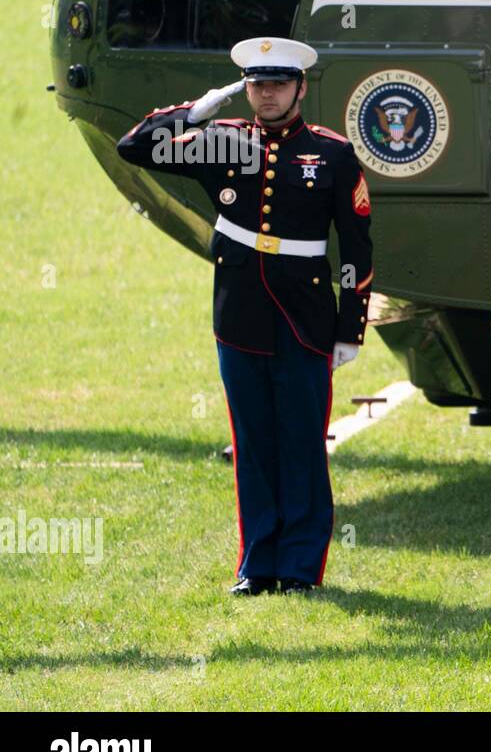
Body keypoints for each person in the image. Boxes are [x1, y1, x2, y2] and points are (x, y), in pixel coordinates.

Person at [116, 37, 375, 596]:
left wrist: (350, 327)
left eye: (278, 84)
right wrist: (199, 109)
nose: (267, 94)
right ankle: (258, 565)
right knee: (253, 441)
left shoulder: (331, 153)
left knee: (302, 442)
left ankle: (301, 568)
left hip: (306, 317)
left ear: (301, 88)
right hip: (239, 313)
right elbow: (133, 147)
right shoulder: (221, 142)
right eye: (257, 85)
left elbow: (356, 246)